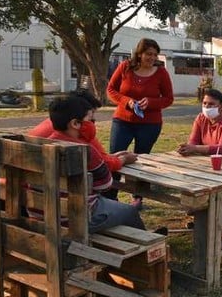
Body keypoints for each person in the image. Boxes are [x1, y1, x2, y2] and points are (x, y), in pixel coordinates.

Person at [44, 96, 145, 232]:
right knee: (130, 211)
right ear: (75, 123)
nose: (93, 124)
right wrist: (121, 160)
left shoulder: (42, 144)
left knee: (113, 209)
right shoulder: (86, 150)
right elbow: (105, 185)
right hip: (75, 219)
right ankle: (148, 243)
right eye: (90, 120)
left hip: (42, 213)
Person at [29, 88, 139, 173]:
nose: (93, 120)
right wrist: (123, 159)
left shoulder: (56, 122)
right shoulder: (74, 131)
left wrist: (111, 157)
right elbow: (102, 163)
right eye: (90, 115)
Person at [106, 38, 174, 154]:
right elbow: (110, 90)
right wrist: (127, 101)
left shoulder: (161, 73)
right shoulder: (125, 67)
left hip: (149, 124)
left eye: (155, 55)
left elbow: (168, 99)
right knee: (115, 156)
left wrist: (150, 102)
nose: (152, 58)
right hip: (122, 121)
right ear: (139, 54)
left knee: (142, 158)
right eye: (149, 54)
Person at [177, 89, 222, 157]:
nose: (206, 106)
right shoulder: (201, 118)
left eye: (211, 104)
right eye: (204, 103)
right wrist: (187, 148)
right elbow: (194, 140)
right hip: (209, 159)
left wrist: (195, 148)